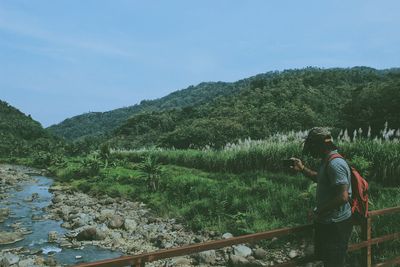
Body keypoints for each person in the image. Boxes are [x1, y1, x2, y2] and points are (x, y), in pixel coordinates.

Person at [291, 127, 353, 267]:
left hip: (336, 225)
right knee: (324, 259)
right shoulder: (327, 160)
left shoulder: (335, 164)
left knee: (334, 263)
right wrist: (302, 169)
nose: (310, 149)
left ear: (321, 145)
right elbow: (319, 178)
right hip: (327, 222)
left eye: (312, 145)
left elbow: (343, 197)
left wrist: (318, 211)